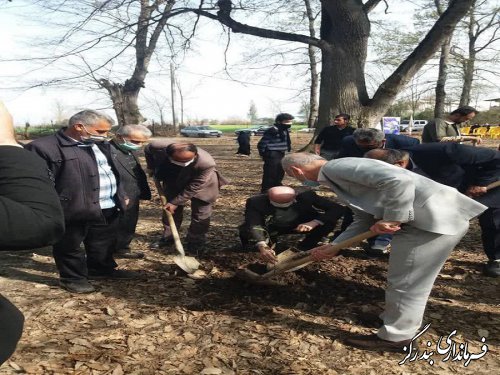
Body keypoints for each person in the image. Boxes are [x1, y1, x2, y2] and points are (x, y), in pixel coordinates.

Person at [281, 153, 486, 352]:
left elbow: (399, 181)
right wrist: (335, 246)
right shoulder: (336, 177)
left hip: (432, 222)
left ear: (296, 170)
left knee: (407, 283)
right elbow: (364, 219)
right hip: (422, 222)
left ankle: (397, 337)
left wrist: (393, 217)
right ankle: (394, 318)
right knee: (402, 280)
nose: (300, 181)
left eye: (295, 177)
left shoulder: (338, 167)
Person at [25, 109, 134, 294]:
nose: (105, 136)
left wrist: (120, 192)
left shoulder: (99, 144)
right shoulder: (43, 147)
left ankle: (100, 269)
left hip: (107, 203)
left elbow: (111, 170)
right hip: (71, 207)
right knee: (70, 245)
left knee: (103, 241)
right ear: (79, 126)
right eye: (100, 131)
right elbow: (36, 183)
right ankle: (72, 279)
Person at [365, 144, 500, 277]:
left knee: (492, 221)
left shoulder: (446, 151)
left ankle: (496, 259)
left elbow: (496, 158)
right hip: (450, 192)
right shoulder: (395, 172)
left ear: (400, 163)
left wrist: (481, 182)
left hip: (489, 183)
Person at [0, 101, 64, 364]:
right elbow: (38, 221)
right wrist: (4, 141)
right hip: (67, 203)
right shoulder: (44, 149)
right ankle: (73, 277)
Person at [337, 128, 420, 254]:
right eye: (362, 147)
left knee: (387, 210)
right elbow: (342, 160)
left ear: (383, 141)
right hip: (363, 178)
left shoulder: (404, 142)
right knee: (356, 207)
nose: (367, 151)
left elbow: (411, 160)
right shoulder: (349, 141)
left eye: (370, 147)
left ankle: (379, 242)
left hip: (393, 180)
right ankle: (348, 239)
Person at [145, 141, 227, 255]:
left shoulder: (207, 163)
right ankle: (169, 237)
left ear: (195, 155)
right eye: (180, 161)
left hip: (202, 184)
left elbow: (195, 186)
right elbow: (148, 149)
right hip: (173, 178)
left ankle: (195, 242)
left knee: (201, 213)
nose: (184, 163)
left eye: (188, 160)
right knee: (170, 210)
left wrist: (176, 202)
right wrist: (150, 166)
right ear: (168, 156)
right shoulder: (157, 147)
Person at [237, 186, 345, 262]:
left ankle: (306, 246)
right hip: (273, 226)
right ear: (268, 197)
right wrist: (261, 245)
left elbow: (337, 209)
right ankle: (260, 247)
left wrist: (314, 222)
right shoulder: (256, 201)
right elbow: (254, 222)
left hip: (303, 224)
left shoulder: (307, 196)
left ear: (294, 197)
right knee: (246, 230)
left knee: (328, 222)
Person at [111, 125, 152, 259]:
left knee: (129, 221)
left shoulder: (130, 150)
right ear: (119, 137)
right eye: (135, 141)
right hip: (117, 193)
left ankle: (122, 247)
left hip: (132, 191)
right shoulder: (107, 151)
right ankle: (107, 251)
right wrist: (120, 193)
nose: (139, 145)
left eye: (142, 142)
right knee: (114, 222)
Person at [257, 113, 294, 193]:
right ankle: (266, 190)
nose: (289, 124)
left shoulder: (284, 129)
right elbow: (262, 143)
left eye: (290, 122)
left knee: (280, 171)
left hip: (281, 153)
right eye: (286, 121)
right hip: (272, 153)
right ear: (279, 122)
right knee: (270, 172)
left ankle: (277, 186)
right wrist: (263, 153)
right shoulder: (273, 130)